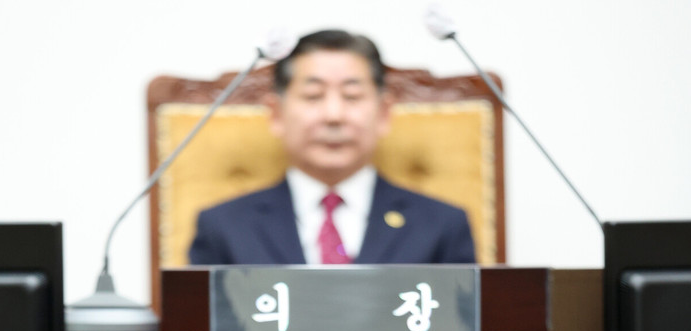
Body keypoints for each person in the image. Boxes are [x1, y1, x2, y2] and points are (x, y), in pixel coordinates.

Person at [188, 29, 476, 267]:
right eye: (313, 96)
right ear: (276, 114)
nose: (334, 115)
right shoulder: (223, 226)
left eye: (352, 96)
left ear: (384, 113)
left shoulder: (442, 225)